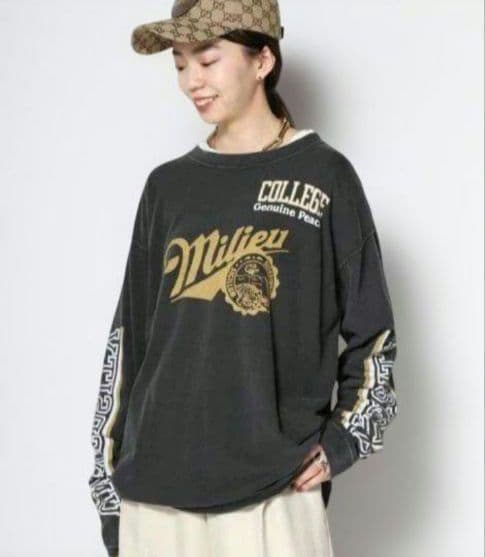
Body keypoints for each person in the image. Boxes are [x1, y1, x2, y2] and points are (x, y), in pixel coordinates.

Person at [87, 1, 399, 556]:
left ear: (263, 60)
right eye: (180, 64)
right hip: (155, 496)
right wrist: (108, 487)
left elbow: (373, 334)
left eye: (207, 60)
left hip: (274, 493)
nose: (191, 81)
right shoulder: (167, 188)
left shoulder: (324, 177)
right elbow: (128, 340)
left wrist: (345, 439)